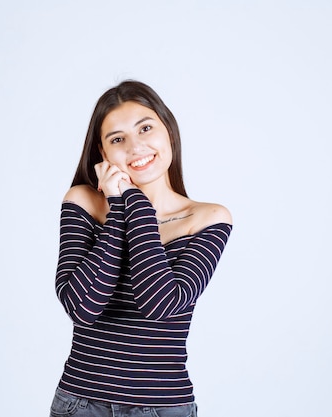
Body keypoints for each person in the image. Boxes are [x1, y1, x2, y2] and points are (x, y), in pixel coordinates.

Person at [49, 80, 233, 417]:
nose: (135, 147)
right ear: (103, 154)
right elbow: (82, 307)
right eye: (117, 139)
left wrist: (133, 202)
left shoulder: (207, 218)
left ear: (169, 132)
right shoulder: (83, 203)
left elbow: (160, 303)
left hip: (163, 407)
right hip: (81, 404)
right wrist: (119, 204)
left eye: (145, 128)